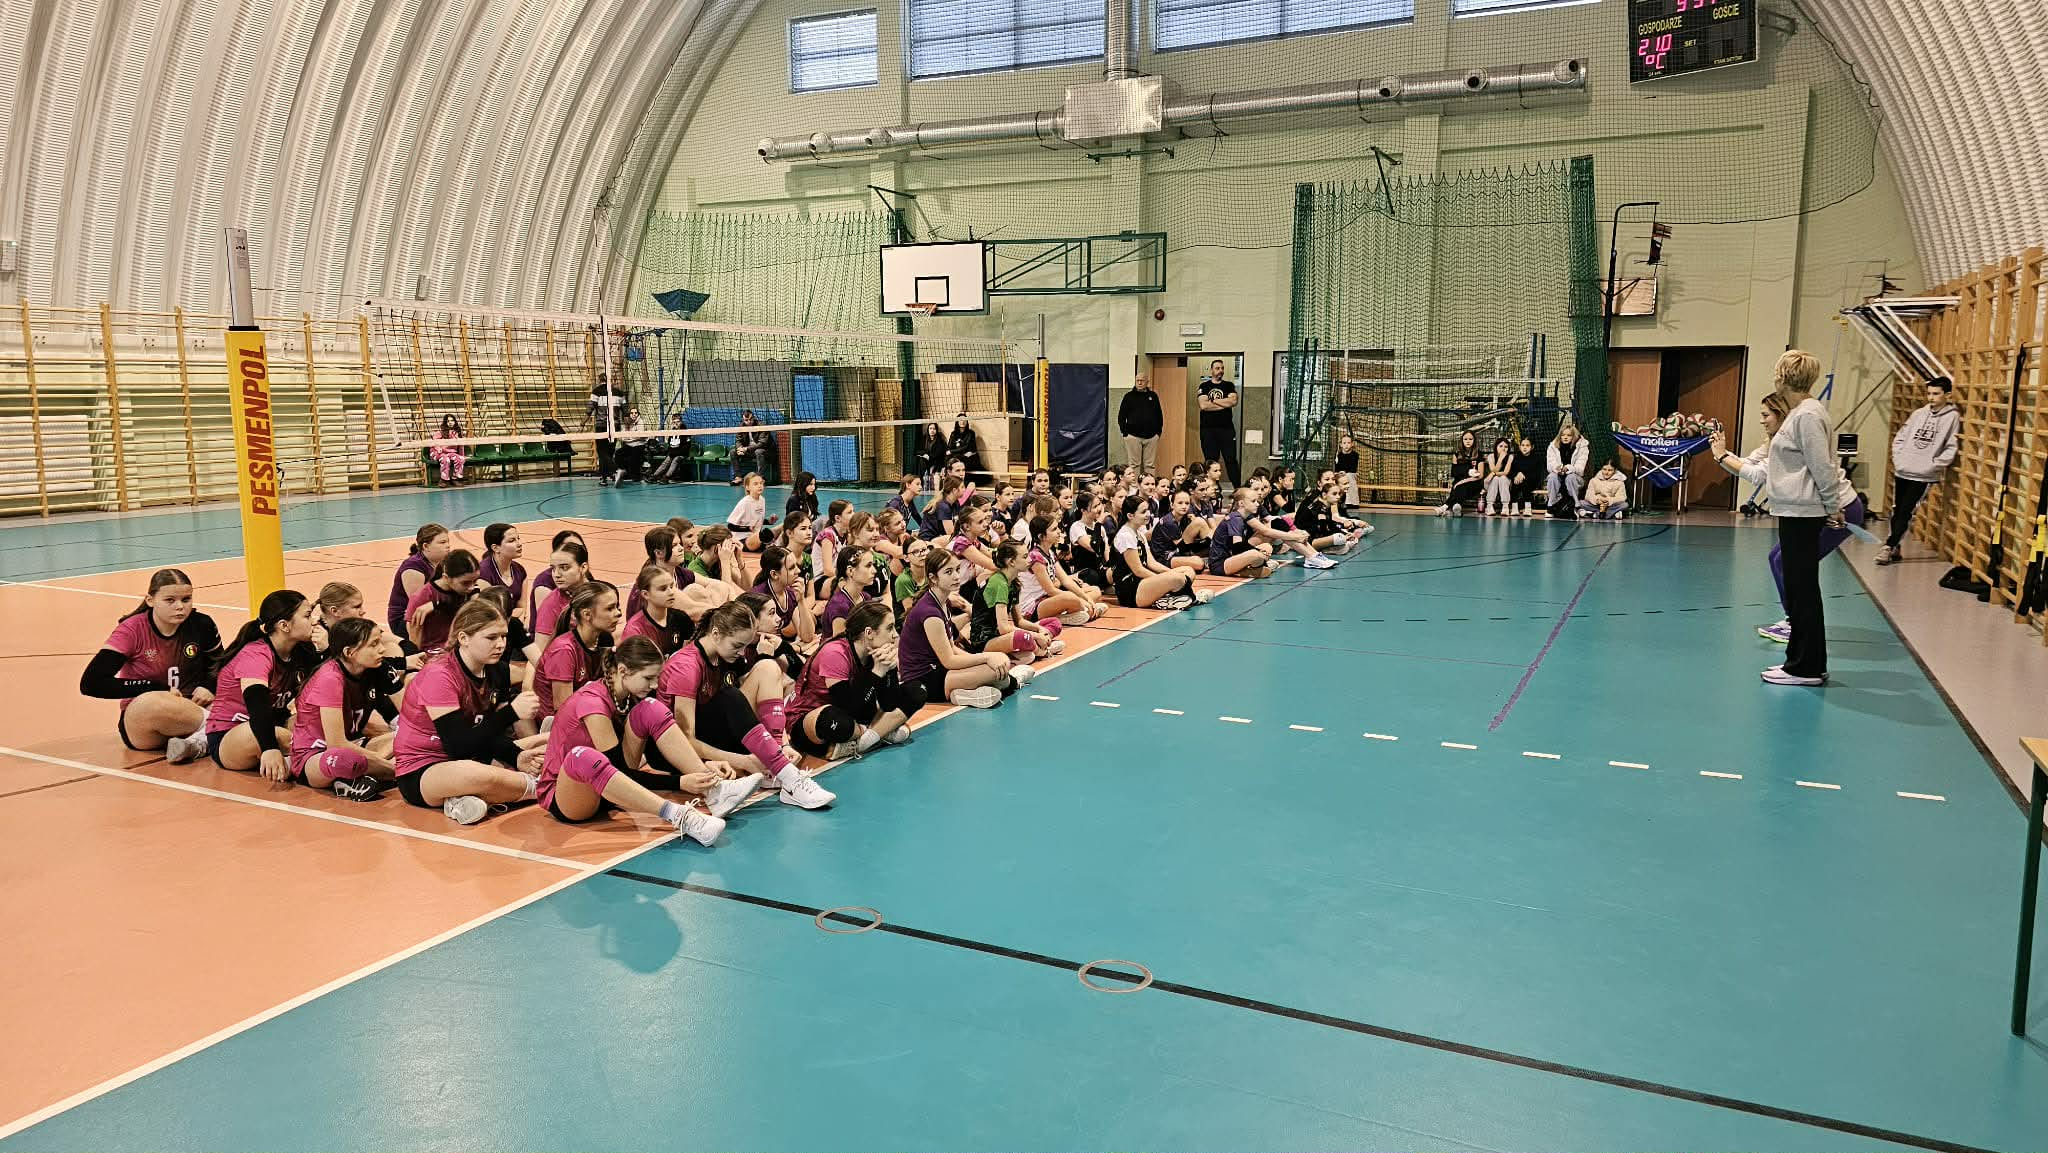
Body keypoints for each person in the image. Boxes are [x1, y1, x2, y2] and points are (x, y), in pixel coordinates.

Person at [1708, 350, 1858, 686]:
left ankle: (1806, 668)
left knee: (1803, 590)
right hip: (1794, 511)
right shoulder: (1801, 414)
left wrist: (1833, 505)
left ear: (1782, 377)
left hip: (1804, 513)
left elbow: (1822, 466)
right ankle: (1803, 662)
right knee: (1799, 587)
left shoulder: (1807, 415)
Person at [537, 637, 740, 844]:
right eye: (648, 678)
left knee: (651, 708)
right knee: (582, 757)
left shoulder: (626, 694)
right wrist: (680, 782)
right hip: (568, 797)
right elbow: (621, 771)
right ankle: (680, 816)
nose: (654, 685)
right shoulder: (593, 703)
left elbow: (644, 757)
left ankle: (713, 789)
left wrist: (702, 768)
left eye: (657, 678)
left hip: (608, 787)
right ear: (623, 671)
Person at [658, 602, 835, 809]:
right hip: (678, 752)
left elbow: (752, 708)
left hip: (711, 734)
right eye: (737, 646)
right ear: (716, 634)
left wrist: (783, 744)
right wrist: (743, 762)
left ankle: (777, 758)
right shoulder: (686, 667)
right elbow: (686, 739)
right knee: (730, 696)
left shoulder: (722, 654)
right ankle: (787, 775)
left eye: (744, 646)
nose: (742, 653)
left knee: (768, 667)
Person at [391, 598, 544, 825]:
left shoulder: (496, 671)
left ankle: (465, 798)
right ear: (463, 638)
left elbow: (483, 732)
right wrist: (511, 713)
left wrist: (516, 756)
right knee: (478, 774)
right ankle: (542, 788)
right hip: (423, 770)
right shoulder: (440, 675)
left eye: (503, 636)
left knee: (542, 745)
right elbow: (458, 747)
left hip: (471, 755)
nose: (500, 644)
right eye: (491, 637)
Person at [80, 568, 223, 755]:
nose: (180, 606)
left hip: (195, 708)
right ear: (150, 600)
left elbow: (222, 665)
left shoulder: (202, 624)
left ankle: (196, 743)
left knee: (242, 693)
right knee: (151, 703)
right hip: (147, 722)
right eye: (170, 600)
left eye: (186, 599)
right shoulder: (131, 630)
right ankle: (219, 730)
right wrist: (155, 688)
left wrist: (209, 686)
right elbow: (91, 683)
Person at [193, 589, 319, 776]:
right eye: (307, 616)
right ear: (284, 625)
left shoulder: (302, 651)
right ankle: (316, 764)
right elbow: (257, 705)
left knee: (315, 724)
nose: (314, 621)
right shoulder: (256, 654)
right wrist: (269, 748)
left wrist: (327, 649)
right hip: (231, 735)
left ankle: (302, 761)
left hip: (275, 723)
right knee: (285, 737)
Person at [790, 601, 927, 761]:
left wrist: (889, 670)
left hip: (857, 712)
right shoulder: (835, 653)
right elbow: (848, 708)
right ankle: (880, 732)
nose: (895, 635)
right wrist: (877, 672)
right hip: (813, 720)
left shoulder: (874, 651)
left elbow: (889, 705)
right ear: (869, 632)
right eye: (890, 628)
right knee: (839, 722)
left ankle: (865, 741)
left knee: (917, 690)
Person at [290, 618, 399, 801]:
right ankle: (376, 773)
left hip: (355, 743)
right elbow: (336, 744)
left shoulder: (374, 668)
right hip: (316, 757)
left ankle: (356, 777)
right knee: (345, 759)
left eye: (380, 642)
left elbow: (408, 715)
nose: (382, 649)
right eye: (374, 644)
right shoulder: (330, 678)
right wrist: (394, 769)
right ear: (349, 652)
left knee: (406, 735)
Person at [897, 549, 1021, 709]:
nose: (956, 576)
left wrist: (984, 660)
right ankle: (1007, 683)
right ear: (933, 578)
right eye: (948, 572)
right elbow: (949, 660)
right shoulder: (930, 613)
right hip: (923, 681)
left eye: (957, 569)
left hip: (940, 671)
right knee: (995, 671)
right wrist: (987, 658)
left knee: (998, 667)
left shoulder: (944, 602)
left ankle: (963, 693)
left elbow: (952, 648)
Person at [1881, 376, 1960, 564]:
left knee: (1906, 510)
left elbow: (1951, 446)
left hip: (1923, 475)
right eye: (1929, 393)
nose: (1931, 397)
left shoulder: (1952, 417)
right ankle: (1895, 546)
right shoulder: (1918, 414)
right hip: (1903, 469)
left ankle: (1888, 546)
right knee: (1898, 509)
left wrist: (1934, 464)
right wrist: (1899, 458)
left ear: (1947, 395)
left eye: (1936, 394)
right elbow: (1901, 437)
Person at [535, 581, 620, 722]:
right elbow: (564, 711)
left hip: (590, 713)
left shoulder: (603, 640)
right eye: (610, 608)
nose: (618, 613)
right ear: (587, 614)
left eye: (617, 607)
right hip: (560, 724)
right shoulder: (564, 650)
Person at [1113, 496, 1208, 610]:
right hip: (1131, 590)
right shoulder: (1125, 535)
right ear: (1130, 515)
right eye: (1143, 512)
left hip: (1143, 582)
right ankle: (1190, 597)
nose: (1148, 514)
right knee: (1177, 579)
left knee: (1188, 571)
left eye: (1148, 510)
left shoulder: (1140, 534)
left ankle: (1168, 599)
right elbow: (1138, 570)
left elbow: (1152, 563)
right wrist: (1167, 578)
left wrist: (1170, 574)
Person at [404, 548, 481, 653]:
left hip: (462, 646)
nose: (472, 587)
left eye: (475, 581)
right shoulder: (422, 597)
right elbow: (414, 644)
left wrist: (437, 604)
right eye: (465, 583)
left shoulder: (468, 590)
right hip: (434, 651)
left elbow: (474, 610)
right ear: (446, 578)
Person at [387, 523, 450, 635]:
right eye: (442, 542)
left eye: (448, 541)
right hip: (404, 620)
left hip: (427, 613)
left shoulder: (440, 563)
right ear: (426, 546)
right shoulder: (414, 568)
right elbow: (418, 604)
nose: (448, 546)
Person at [1196, 358, 1241, 488]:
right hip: (1208, 430)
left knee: (1231, 460)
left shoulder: (1228, 385)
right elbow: (1203, 405)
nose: (1220, 370)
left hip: (1226, 430)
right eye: (1217, 368)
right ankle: (1212, 488)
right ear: (1211, 370)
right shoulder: (1204, 386)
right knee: (1211, 461)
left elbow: (1233, 402)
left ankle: (1237, 488)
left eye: (1222, 368)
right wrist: (1224, 403)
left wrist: (1213, 401)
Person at [1119, 372, 1163, 475]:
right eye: (1137, 380)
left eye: (1142, 380)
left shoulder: (1153, 396)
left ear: (1147, 382)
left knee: (1150, 465)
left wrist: (1158, 433)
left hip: (1151, 437)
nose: (1139, 383)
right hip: (1133, 436)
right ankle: (1134, 484)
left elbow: (1159, 415)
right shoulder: (1129, 396)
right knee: (1134, 465)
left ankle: (1150, 483)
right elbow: (1121, 416)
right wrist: (1125, 433)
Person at [478, 523, 527, 616]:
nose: (519, 544)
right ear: (496, 548)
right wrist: (515, 615)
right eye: (512, 540)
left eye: (518, 539)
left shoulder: (520, 570)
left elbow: (522, 609)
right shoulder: (483, 574)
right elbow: (490, 614)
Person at [725, 472, 778, 551]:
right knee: (765, 535)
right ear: (747, 487)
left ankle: (767, 544)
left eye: (761, 483)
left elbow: (754, 520)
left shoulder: (762, 500)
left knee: (781, 528)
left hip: (755, 536)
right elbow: (730, 526)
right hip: (742, 540)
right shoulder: (745, 503)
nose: (759, 486)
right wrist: (748, 528)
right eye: (755, 484)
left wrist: (769, 521)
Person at [588, 374, 624, 485]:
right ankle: (605, 477)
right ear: (610, 380)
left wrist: (582, 422)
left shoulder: (596, 391)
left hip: (602, 426)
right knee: (609, 452)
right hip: (615, 426)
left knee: (602, 452)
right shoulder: (619, 393)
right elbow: (625, 410)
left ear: (599, 380)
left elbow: (590, 408)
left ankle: (616, 470)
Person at [1546, 423, 1590, 509]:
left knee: (1570, 477)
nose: (1565, 437)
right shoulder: (1553, 446)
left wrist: (1568, 468)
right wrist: (1557, 468)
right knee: (1552, 477)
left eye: (1569, 435)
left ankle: (1575, 503)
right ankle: (1551, 504)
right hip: (1559, 474)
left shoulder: (1582, 446)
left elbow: (1580, 469)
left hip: (1576, 477)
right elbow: (1550, 465)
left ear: (1574, 436)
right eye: (1563, 435)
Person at [648, 413, 691, 483]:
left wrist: (674, 453)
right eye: (674, 422)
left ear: (681, 422)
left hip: (682, 454)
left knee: (675, 459)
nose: (676, 424)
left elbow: (686, 448)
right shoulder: (672, 432)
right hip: (673, 453)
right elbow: (669, 445)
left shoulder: (685, 432)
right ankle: (654, 476)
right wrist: (671, 453)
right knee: (666, 461)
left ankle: (666, 477)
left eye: (678, 422)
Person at [946, 414, 987, 484]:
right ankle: (949, 479)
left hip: (969, 457)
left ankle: (962, 481)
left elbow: (966, 447)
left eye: (964, 420)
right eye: (960, 420)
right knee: (948, 457)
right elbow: (949, 447)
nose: (962, 422)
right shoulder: (953, 433)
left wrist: (952, 451)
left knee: (958, 457)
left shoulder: (971, 433)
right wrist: (952, 451)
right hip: (959, 455)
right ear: (957, 422)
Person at [730, 410, 769, 483]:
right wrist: (739, 449)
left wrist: (746, 449)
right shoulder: (741, 427)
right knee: (733, 452)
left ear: (753, 417)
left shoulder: (761, 426)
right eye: (746, 420)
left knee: (758, 452)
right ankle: (738, 477)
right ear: (743, 420)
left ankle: (760, 477)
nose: (749, 421)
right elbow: (738, 440)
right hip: (749, 451)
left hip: (765, 451)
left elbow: (762, 443)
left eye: (750, 419)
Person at [1510, 435, 1544, 516]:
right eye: (1523, 445)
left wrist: (1524, 475)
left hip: (1533, 481)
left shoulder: (1537, 458)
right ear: (1520, 447)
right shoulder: (1516, 458)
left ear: (1532, 447)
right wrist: (1517, 474)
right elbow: (1511, 471)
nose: (1525, 447)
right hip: (1518, 480)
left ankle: (1528, 507)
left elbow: (1537, 474)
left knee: (1525, 482)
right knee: (1515, 483)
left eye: (1527, 445)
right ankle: (1514, 507)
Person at [1482, 437, 1516, 516]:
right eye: (1500, 446)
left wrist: (1493, 474)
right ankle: (1489, 506)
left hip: (1505, 483)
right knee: (1496, 479)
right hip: (1489, 483)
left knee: (1502, 478)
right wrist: (1500, 459)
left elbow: (1505, 472)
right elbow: (1494, 469)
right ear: (1496, 447)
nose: (1503, 448)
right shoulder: (1491, 456)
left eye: (1506, 447)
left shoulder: (1510, 457)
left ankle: (1505, 506)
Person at [431, 414, 466, 485]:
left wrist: (462, 455)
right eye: (448, 421)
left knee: (461, 459)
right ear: (445, 423)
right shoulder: (440, 432)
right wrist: (438, 449)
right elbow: (434, 442)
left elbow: (461, 446)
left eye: (452, 420)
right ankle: (443, 480)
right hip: (437, 453)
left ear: (455, 422)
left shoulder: (457, 433)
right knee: (445, 459)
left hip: (450, 453)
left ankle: (455, 478)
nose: (450, 422)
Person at [916, 422, 949, 490]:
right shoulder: (924, 438)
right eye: (930, 428)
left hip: (936, 461)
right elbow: (918, 450)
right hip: (926, 460)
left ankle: (927, 482)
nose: (932, 430)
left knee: (926, 462)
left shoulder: (940, 440)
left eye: (934, 429)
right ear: (928, 430)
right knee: (921, 461)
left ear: (936, 430)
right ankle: (921, 483)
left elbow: (939, 453)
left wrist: (929, 457)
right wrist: (925, 454)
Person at [1334, 430, 1360, 511]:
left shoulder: (1355, 455)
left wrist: (1344, 472)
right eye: (1344, 443)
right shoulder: (1339, 455)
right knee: (1334, 476)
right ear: (1341, 445)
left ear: (1352, 444)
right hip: (1341, 474)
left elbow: (1353, 468)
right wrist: (1339, 473)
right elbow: (1337, 468)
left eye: (1348, 443)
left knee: (1348, 476)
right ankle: (1337, 500)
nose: (1346, 445)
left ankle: (1351, 502)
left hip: (1351, 474)